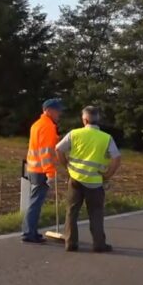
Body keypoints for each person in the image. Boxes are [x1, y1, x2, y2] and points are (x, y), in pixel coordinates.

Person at [56, 106, 121, 252]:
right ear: (98, 120)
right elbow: (117, 158)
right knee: (96, 213)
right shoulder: (106, 138)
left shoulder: (74, 134)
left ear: (84, 119)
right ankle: (99, 244)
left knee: (72, 211)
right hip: (95, 182)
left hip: (75, 179)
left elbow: (58, 149)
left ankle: (71, 243)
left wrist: (66, 165)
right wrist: (108, 174)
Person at [21, 99, 63, 244]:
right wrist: (50, 174)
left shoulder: (37, 125)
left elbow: (43, 145)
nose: (59, 114)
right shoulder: (47, 126)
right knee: (36, 203)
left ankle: (31, 231)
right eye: (58, 111)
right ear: (49, 110)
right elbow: (46, 153)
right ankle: (28, 233)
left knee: (34, 201)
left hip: (33, 168)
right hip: (41, 170)